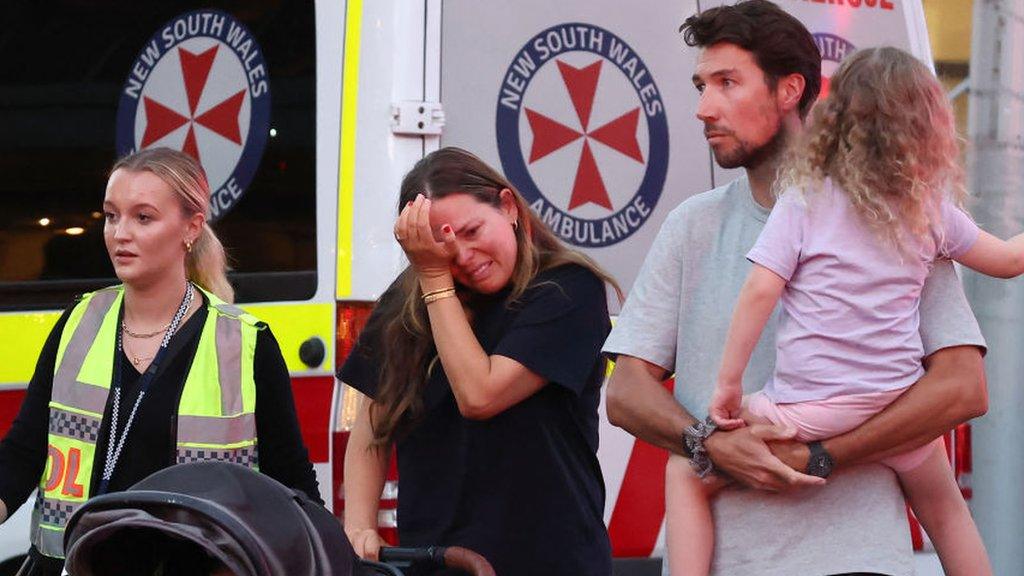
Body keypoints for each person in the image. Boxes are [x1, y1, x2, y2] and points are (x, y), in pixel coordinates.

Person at [602, 2, 988, 575]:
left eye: (727, 83)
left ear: (791, 90)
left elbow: (962, 389)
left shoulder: (891, 212)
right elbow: (625, 392)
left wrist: (824, 455)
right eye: (700, 86)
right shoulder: (693, 225)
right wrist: (708, 442)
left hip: (861, 561)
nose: (704, 108)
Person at [0, 147, 320, 575]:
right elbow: (23, 452)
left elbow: (292, 484)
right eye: (112, 216)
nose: (120, 233)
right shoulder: (78, 323)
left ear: (191, 227)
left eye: (143, 217)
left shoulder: (244, 343)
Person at [339, 147, 616, 575]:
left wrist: (434, 279)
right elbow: (373, 426)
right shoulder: (409, 302)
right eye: (442, 246)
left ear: (508, 207)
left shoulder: (567, 289)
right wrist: (358, 528)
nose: (463, 257)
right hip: (436, 559)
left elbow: (480, 394)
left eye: (471, 231)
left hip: (550, 559)